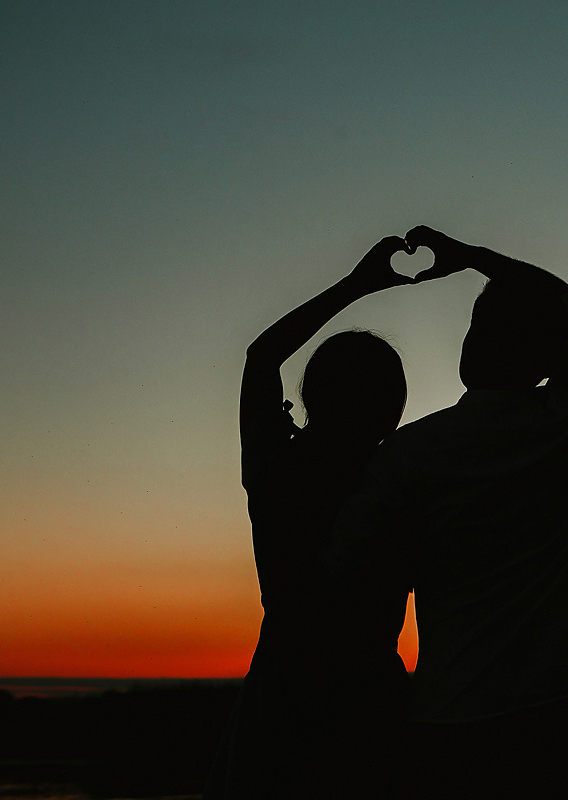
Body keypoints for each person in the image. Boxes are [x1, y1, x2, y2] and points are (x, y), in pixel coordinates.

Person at [327, 226, 568, 799]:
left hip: (453, 713)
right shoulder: (566, 425)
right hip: (558, 707)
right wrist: (474, 259)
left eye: (479, 326)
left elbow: (345, 572)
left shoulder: (407, 455)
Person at [204, 236, 415, 800]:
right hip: (371, 698)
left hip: (282, 690)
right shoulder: (399, 479)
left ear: (311, 393)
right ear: (392, 409)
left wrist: (358, 284)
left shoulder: (280, 466)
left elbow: (261, 356)